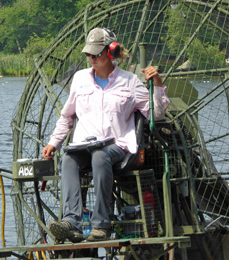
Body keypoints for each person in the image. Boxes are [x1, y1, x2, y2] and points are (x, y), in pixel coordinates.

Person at [42, 27, 170, 242]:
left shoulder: (129, 81)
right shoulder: (80, 79)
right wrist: (53, 143)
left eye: (96, 54)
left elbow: (156, 114)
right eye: (88, 54)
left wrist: (157, 84)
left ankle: (101, 225)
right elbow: (67, 117)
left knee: (100, 156)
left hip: (118, 145)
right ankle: (71, 221)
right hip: (84, 145)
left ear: (111, 52)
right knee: (68, 159)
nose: (91, 58)